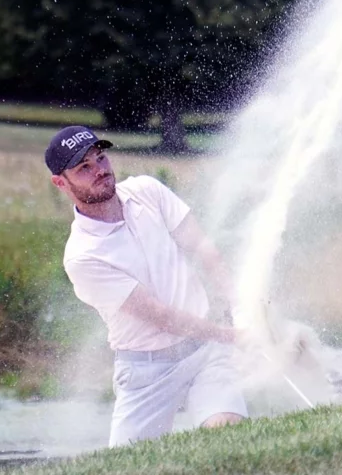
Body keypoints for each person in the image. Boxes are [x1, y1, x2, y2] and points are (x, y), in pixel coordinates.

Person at [46, 125, 249, 446]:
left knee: (227, 436)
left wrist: (241, 309)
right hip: (146, 372)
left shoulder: (146, 190)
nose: (99, 170)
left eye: (100, 158)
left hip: (205, 353)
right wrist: (233, 336)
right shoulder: (83, 256)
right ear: (61, 182)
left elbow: (203, 249)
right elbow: (161, 317)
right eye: (84, 167)